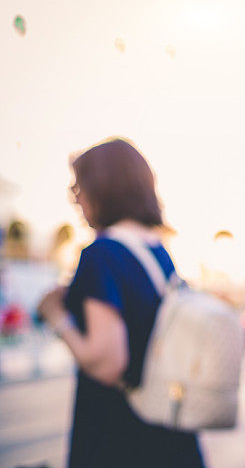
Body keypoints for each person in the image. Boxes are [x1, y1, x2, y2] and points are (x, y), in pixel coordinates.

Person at [36, 138, 204, 468]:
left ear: (103, 187)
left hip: (119, 438)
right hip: (169, 431)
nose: (74, 197)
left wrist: (55, 315)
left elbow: (107, 363)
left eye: (78, 185)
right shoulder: (158, 252)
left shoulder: (101, 254)